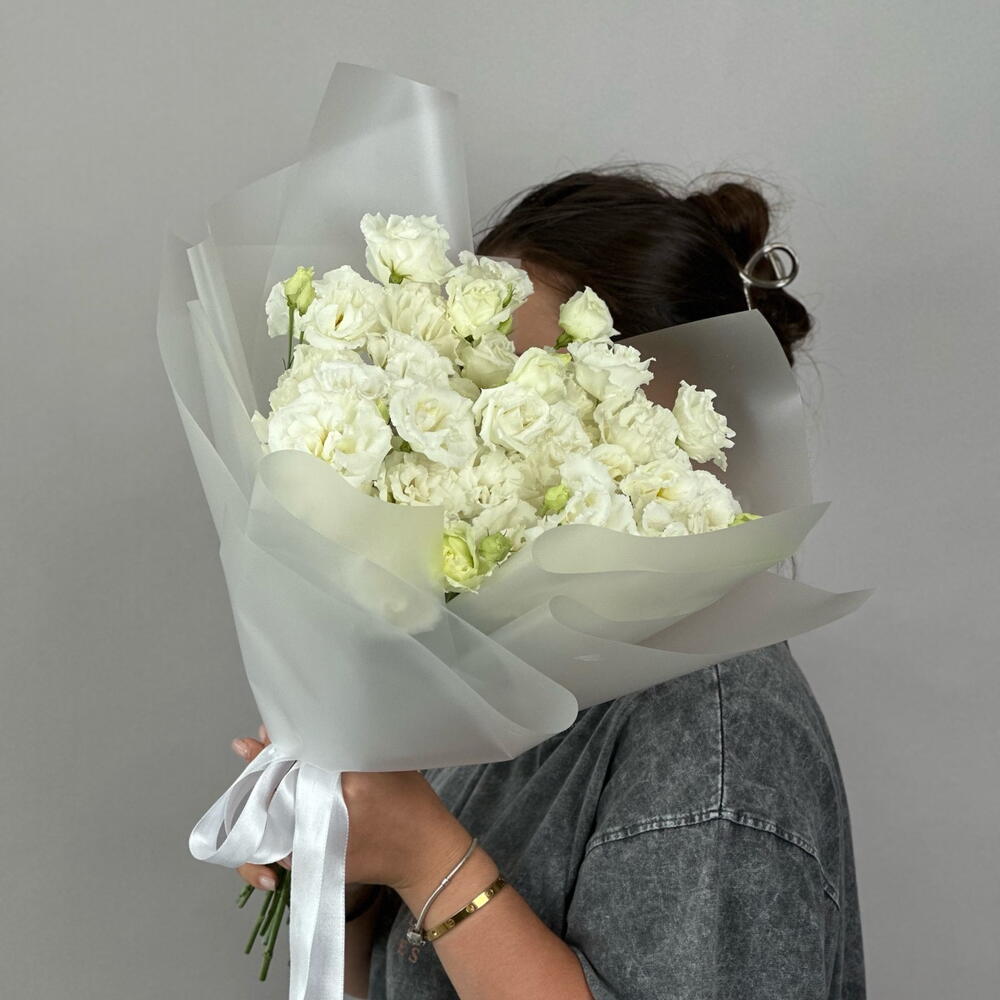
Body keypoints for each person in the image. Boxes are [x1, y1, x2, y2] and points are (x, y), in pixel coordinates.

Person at [230, 166, 866, 999]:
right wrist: (344, 865)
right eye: (465, 371)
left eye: (525, 384)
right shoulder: (521, 667)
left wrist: (424, 856)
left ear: (658, 409)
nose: (480, 421)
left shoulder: (718, 718)